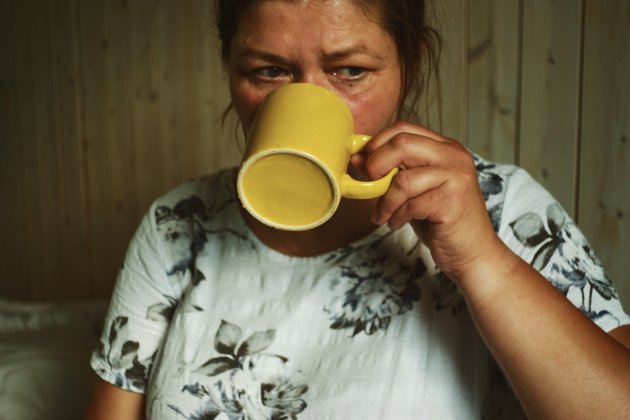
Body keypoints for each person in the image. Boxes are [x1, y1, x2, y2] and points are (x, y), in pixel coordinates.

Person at [85, 0, 630, 418]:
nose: (309, 97)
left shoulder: (501, 210)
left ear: (408, 64)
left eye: (349, 71)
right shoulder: (177, 224)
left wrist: (482, 262)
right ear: (229, 67)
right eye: (268, 71)